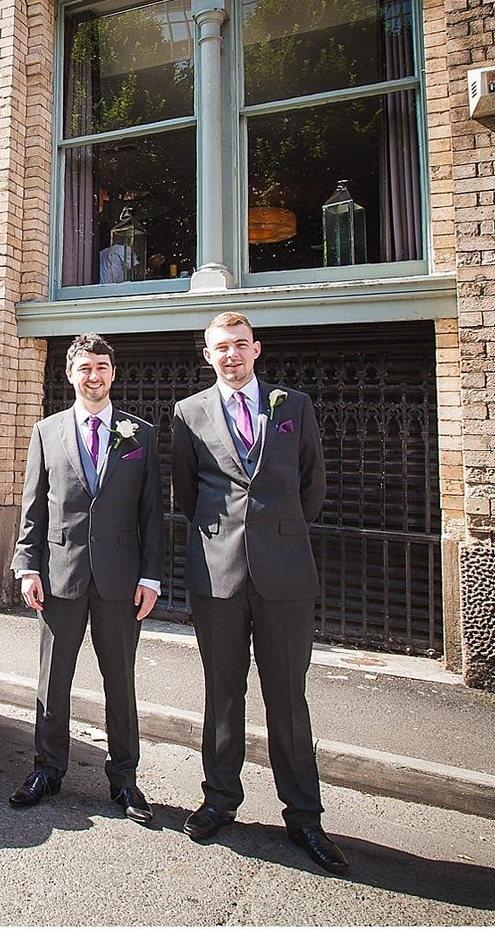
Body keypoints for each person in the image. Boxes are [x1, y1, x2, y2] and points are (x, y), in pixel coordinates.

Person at [170, 311, 348, 874]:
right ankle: (220, 800)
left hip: (286, 576)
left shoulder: (292, 406)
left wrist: (279, 530)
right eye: (220, 347)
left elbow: (312, 484)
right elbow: (185, 492)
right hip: (217, 576)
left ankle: (304, 818)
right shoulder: (188, 414)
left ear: (256, 349)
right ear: (207, 355)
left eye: (240, 345)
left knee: (288, 699)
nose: (231, 355)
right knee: (222, 694)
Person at [9, 333, 163, 824]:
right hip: (60, 577)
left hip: (121, 583)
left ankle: (124, 780)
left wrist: (152, 578)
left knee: (120, 682)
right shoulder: (45, 432)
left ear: (112, 374)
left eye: (101, 367)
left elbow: (152, 515)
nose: (93, 376)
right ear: (70, 374)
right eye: (84, 368)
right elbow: (34, 507)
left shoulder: (141, 435)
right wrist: (27, 566)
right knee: (53, 680)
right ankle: (47, 770)